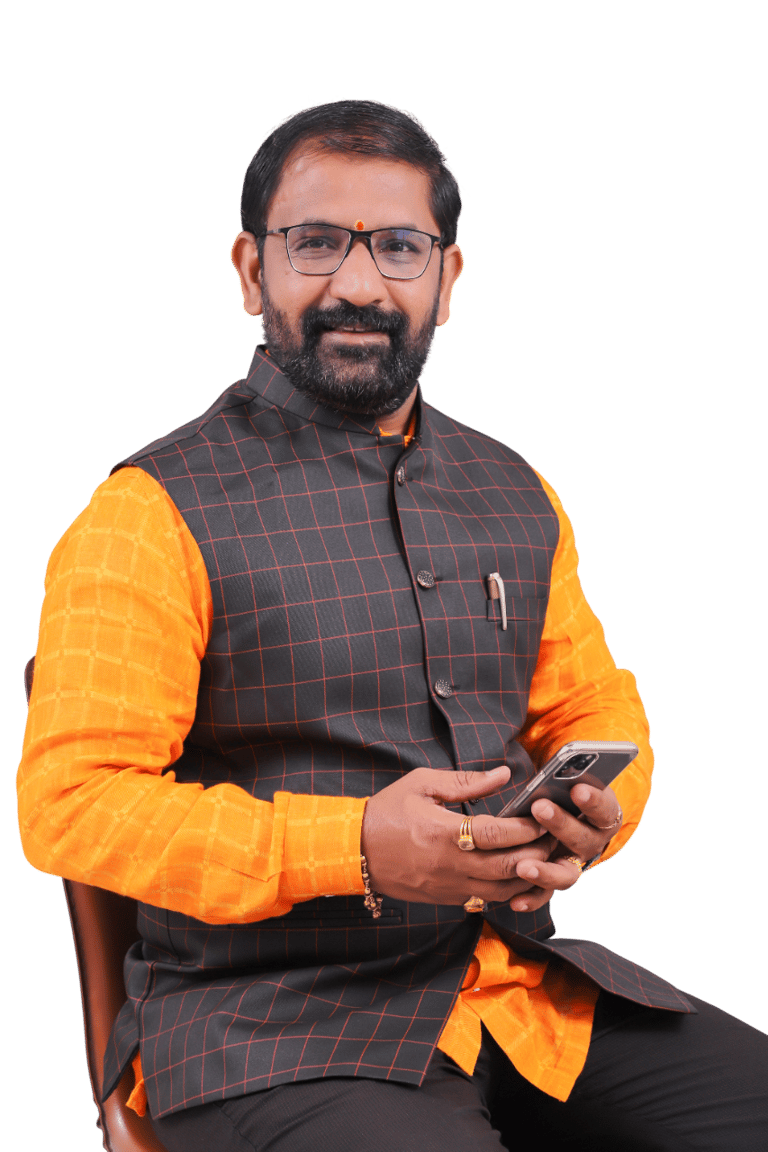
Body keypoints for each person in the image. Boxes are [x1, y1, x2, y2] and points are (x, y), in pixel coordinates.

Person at [16, 98, 767, 1151]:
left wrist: (598, 812)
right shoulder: (145, 515)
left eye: (399, 247)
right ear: (251, 270)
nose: (360, 285)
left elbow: (594, 708)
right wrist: (356, 847)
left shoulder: (519, 492)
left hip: (512, 989)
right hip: (263, 1032)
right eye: (317, 243)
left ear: (446, 281)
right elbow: (71, 809)